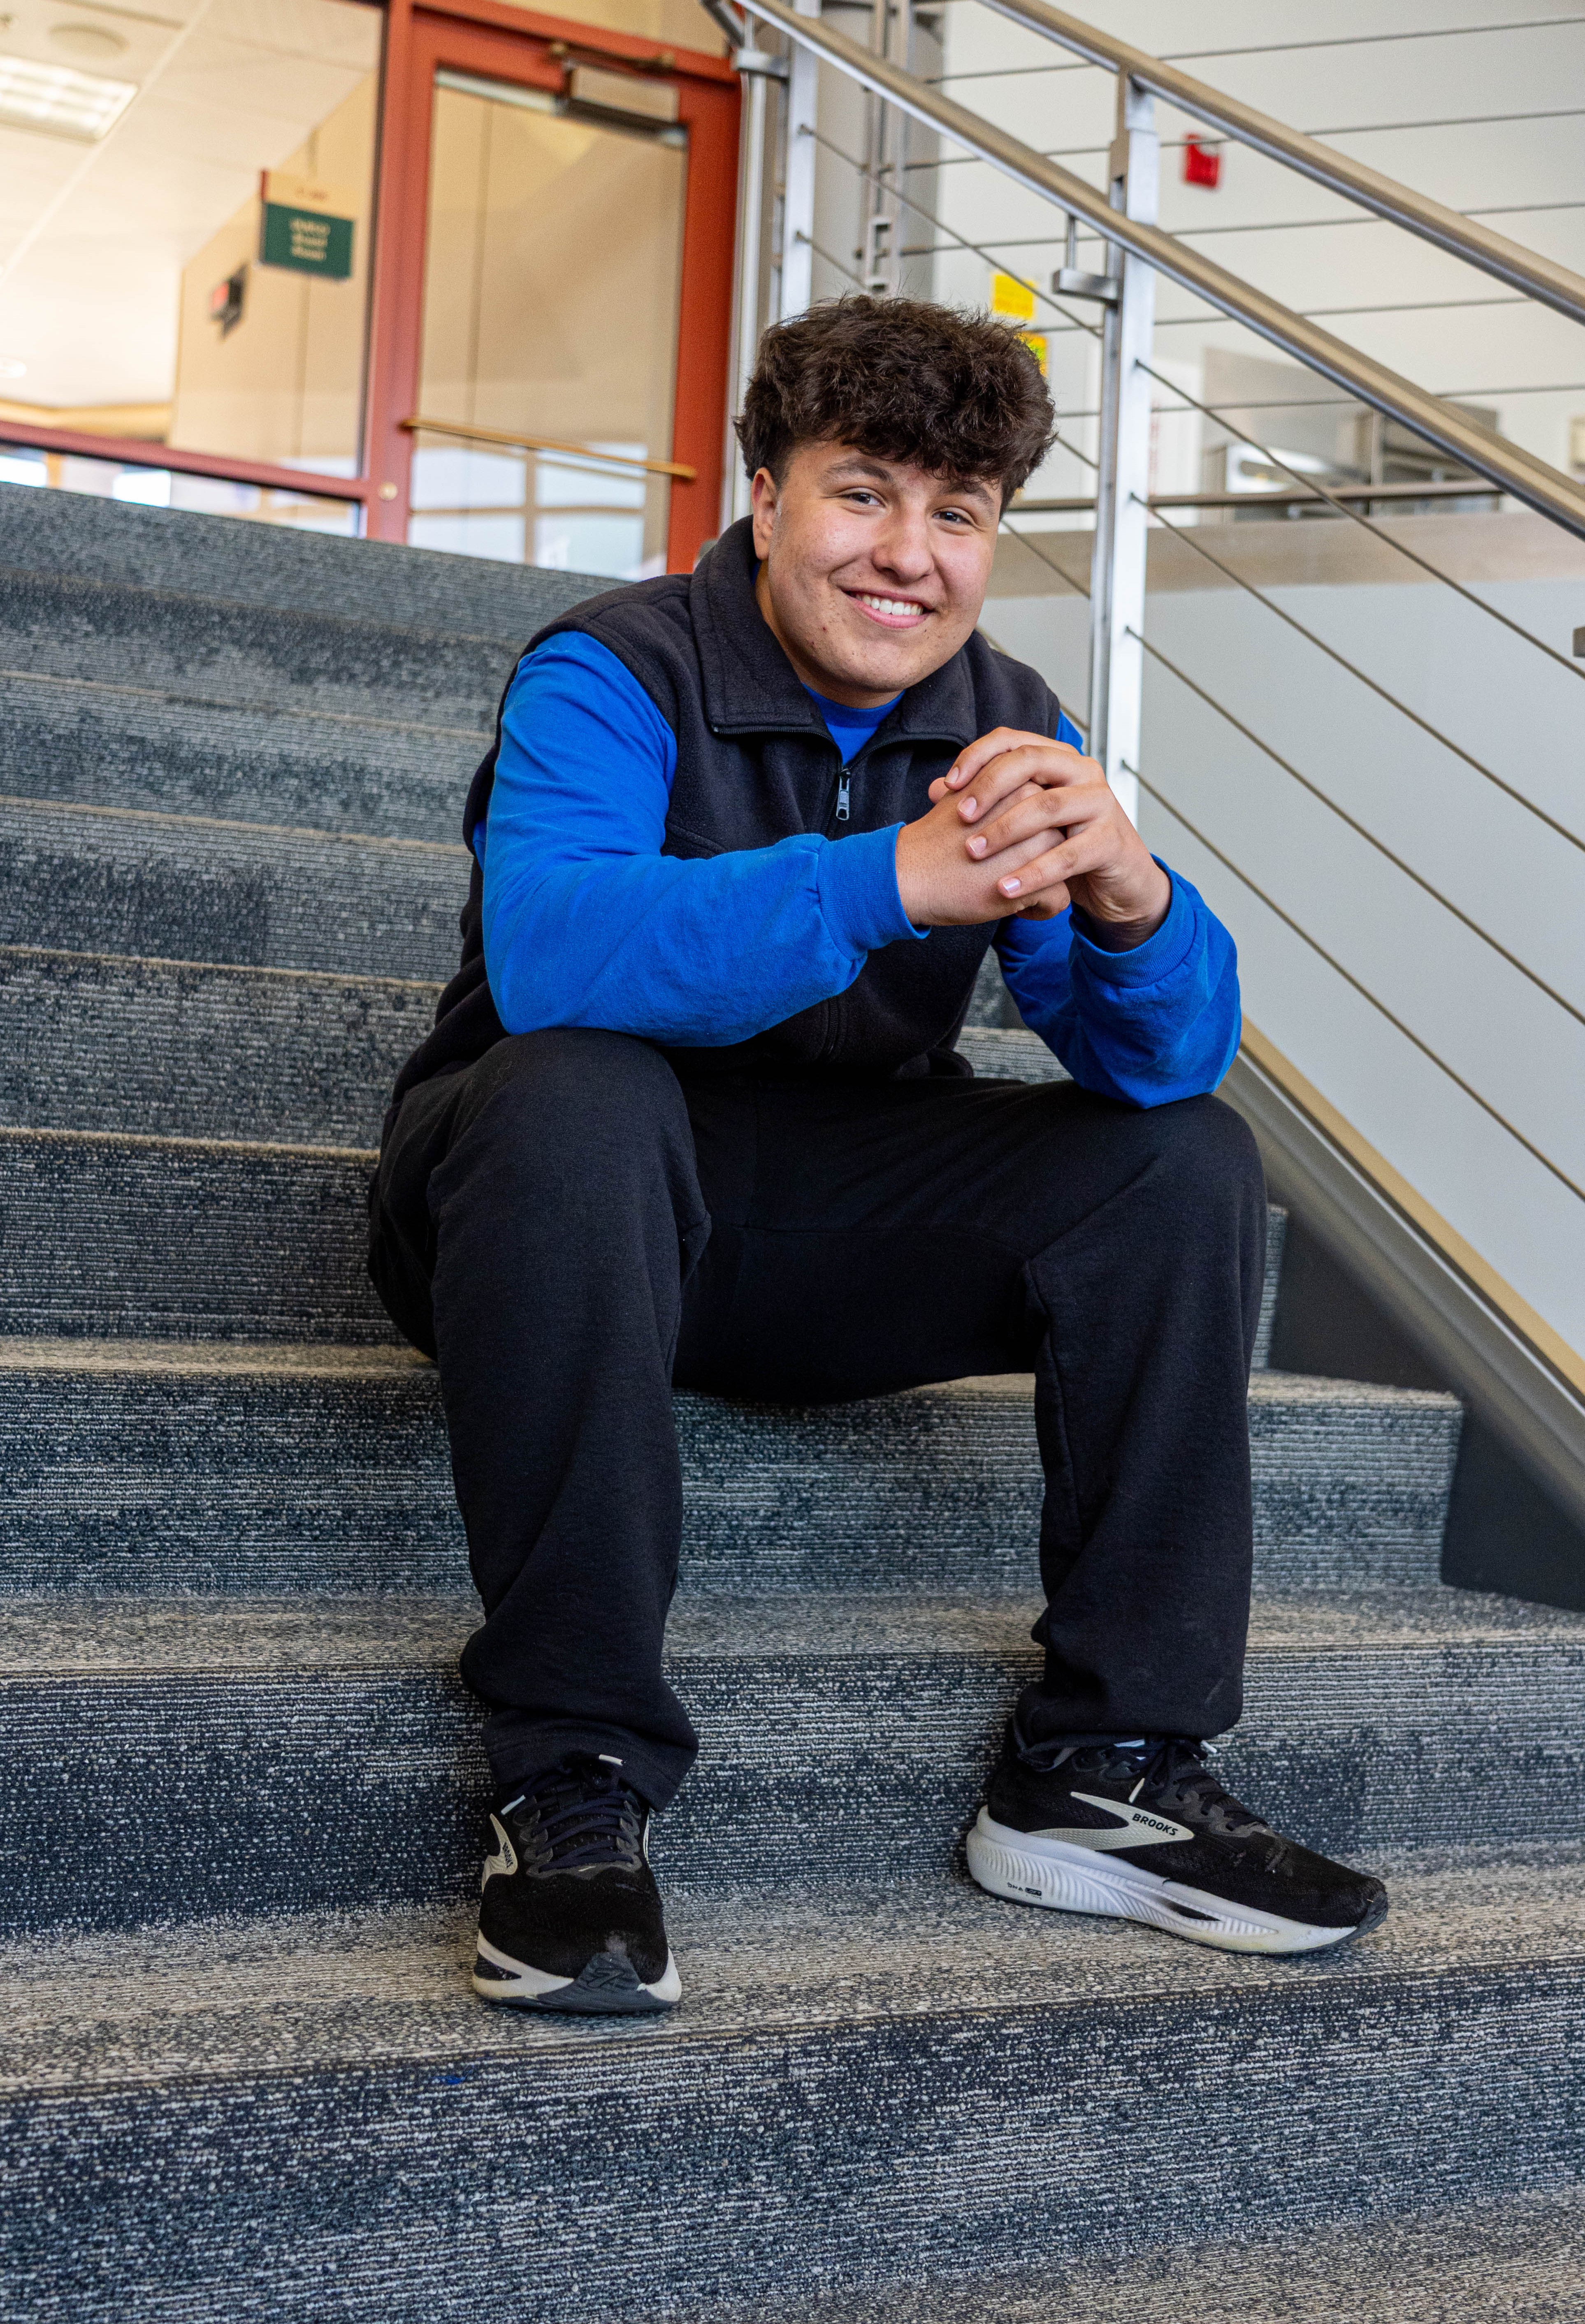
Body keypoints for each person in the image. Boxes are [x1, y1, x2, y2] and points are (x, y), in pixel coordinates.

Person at [369, 296, 1387, 2018]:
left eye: (959, 514)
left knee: (1186, 1162)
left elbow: (1150, 1061)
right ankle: (572, 1785)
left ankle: (1105, 1770)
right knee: (579, 1092)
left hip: (823, 1222)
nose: (909, 555)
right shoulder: (609, 670)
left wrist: (1133, 898)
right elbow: (549, 954)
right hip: (547, 1212)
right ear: (764, 498)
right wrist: (884, 884)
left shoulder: (1008, 716)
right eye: (863, 496)